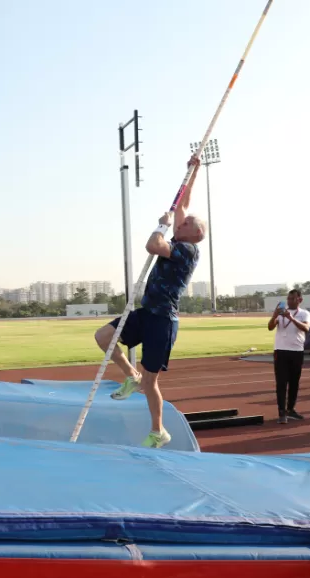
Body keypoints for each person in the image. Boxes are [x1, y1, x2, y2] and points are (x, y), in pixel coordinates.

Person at [94, 154, 206, 448]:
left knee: (151, 382)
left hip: (163, 320)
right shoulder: (183, 237)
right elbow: (182, 204)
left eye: (184, 224)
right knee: (103, 336)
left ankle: (158, 431)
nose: (179, 223)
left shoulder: (187, 251)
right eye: (179, 224)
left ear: (193, 233)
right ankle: (129, 375)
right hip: (146, 313)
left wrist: (161, 226)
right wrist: (192, 171)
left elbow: (152, 245)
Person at [268, 289, 310, 424]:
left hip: (297, 351)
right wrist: (275, 315)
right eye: (288, 299)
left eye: (292, 298)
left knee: (294, 382)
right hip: (281, 351)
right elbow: (270, 327)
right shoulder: (280, 314)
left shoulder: (304, 313)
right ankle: (281, 412)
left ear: (300, 300)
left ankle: (290, 409)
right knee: (281, 383)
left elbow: (306, 328)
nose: (289, 301)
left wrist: (291, 318)